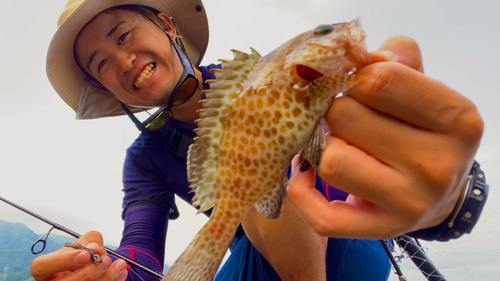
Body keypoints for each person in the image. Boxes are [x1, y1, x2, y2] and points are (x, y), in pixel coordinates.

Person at [30, 0, 484, 280]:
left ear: (169, 25)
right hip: (253, 259)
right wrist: (104, 267)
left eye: (123, 34)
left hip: (346, 243)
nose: (123, 60)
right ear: (105, 88)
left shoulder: (259, 79)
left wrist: (450, 196)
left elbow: (380, 148)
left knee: (251, 148)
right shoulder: (144, 158)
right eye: (101, 65)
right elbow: (142, 253)